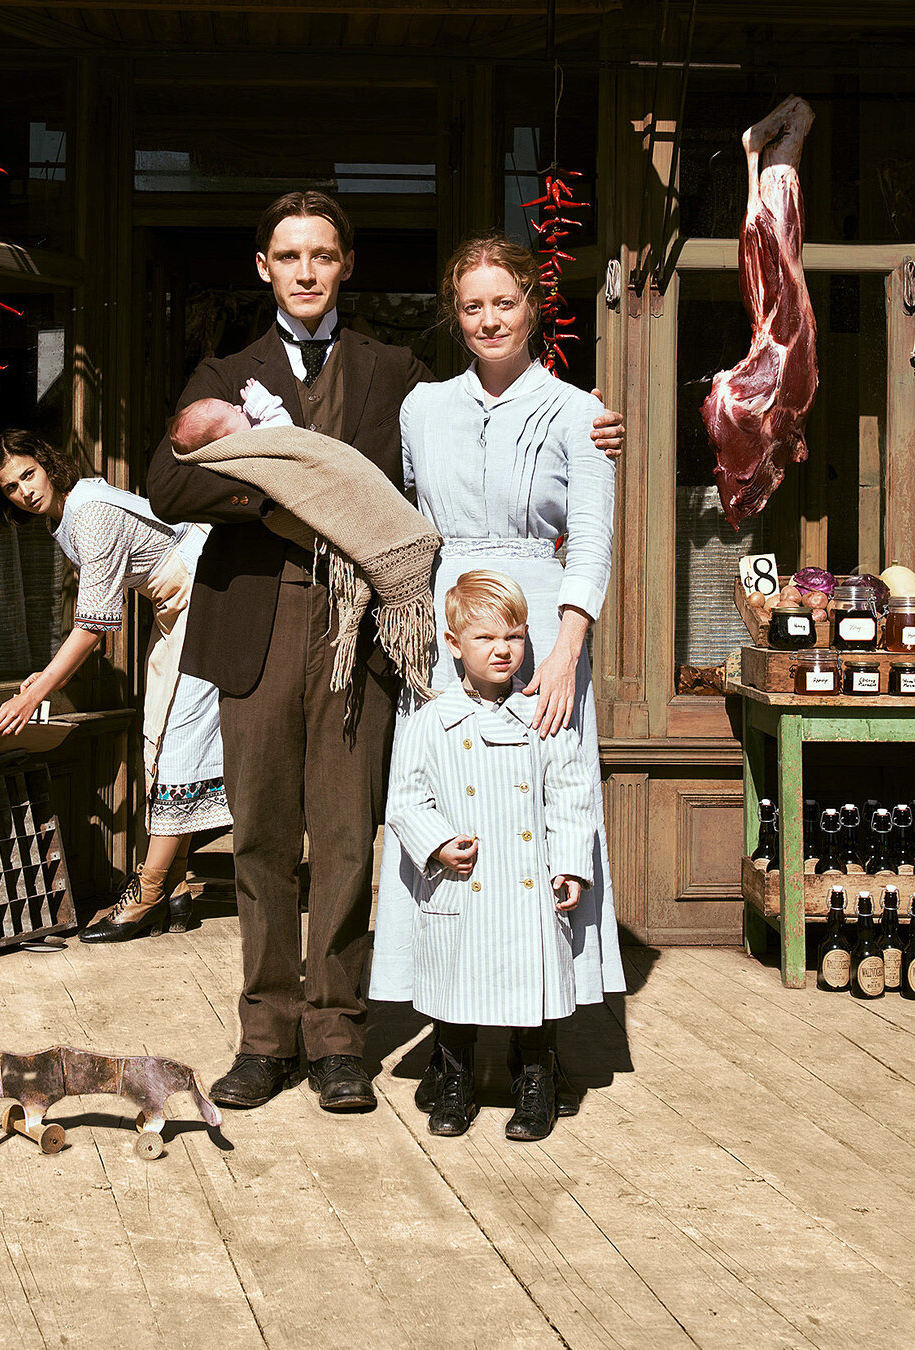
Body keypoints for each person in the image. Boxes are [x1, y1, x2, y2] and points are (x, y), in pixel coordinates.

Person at [146, 190, 624, 1116]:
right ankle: (262, 1038)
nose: (306, 272)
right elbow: (169, 481)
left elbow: (470, 434)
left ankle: (335, 1039)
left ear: (345, 266)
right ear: (263, 268)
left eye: (322, 255)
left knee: (346, 840)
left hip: (360, 634)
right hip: (256, 625)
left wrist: (591, 425)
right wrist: (278, 493)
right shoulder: (225, 370)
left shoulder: (396, 373)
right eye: (289, 257)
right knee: (260, 839)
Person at [370, 232, 625, 1117]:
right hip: (445, 624)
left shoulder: (576, 412)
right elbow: (409, 517)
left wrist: (567, 647)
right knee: (443, 807)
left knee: (535, 819)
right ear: (455, 315)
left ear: (532, 307)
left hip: (539, 625)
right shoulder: (422, 408)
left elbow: (589, 537)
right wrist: (414, 633)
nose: (488, 320)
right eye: (471, 305)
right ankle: (449, 1051)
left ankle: (535, 1056)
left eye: (503, 303)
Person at [0, 430, 233, 940]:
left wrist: (35, 694)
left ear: (46, 464)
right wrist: (46, 675)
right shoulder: (66, 514)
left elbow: (93, 626)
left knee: (178, 737)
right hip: (176, 603)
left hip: (201, 592)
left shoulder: (88, 513)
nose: (25, 491)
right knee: (163, 735)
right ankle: (176, 888)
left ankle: (148, 894)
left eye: (29, 474)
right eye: (11, 487)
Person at [384, 571, 594, 1141]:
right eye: (486, 638)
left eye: (514, 637)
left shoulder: (543, 715)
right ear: (454, 644)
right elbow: (405, 799)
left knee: (536, 986)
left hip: (530, 882)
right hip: (462, 881)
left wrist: (569, 865)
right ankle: (456, 1080)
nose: (502, 650)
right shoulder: (431, 721)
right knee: (458, 983)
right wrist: (436, 843)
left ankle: (535, 1080)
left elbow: (571, 795)